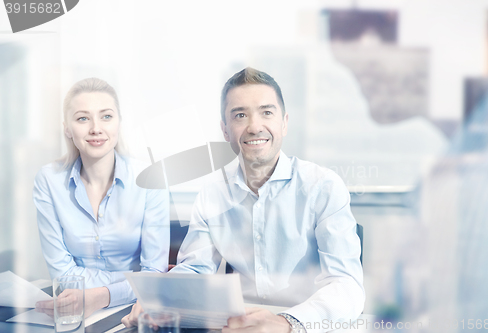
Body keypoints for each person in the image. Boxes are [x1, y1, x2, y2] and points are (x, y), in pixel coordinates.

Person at [122, 68, 364, 332]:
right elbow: (196, 267)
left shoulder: (323, 187)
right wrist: (159, 299)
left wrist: (286, 323)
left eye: (266, 112)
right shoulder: (213, 193)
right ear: (225, 130)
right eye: (240, 115)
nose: (254, 126)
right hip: (238, 326)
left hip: (306, 325)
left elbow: (347, 285)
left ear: (284, 122)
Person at [33, 78, 170, 318]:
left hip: (136, 310)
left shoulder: (151, 178)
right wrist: (128, 282)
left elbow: (153, 276)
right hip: (75, 308)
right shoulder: (49, 180)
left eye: (106, 116)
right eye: (83, 118)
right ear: (67, 128)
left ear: (119, 123)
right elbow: (61, 274)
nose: (96, 128)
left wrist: (101, 296)